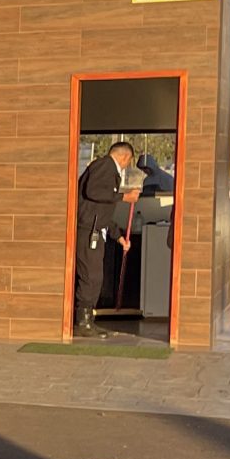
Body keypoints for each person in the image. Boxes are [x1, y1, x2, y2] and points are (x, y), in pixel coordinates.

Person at [75, 138, 135, 334]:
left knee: (95, 277)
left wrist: (118, 237)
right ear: (125, 157)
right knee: (91, 276)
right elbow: (93, 191)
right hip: (87, 230)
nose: (127, 166)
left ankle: (87, 319)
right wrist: (123, 196)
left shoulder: (107, 171)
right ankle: (82, 322)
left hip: (96, 229)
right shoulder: (105, 166)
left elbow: (102, 213)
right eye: (129, 162)